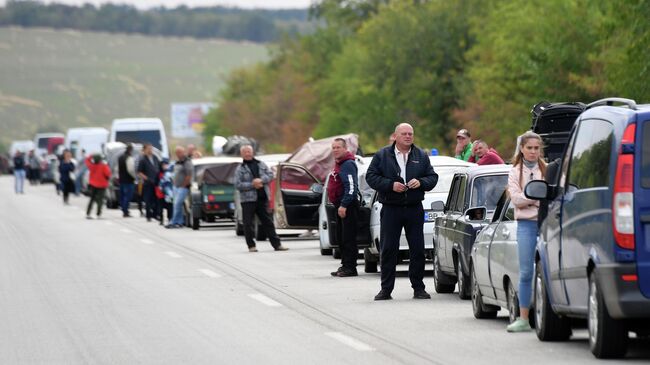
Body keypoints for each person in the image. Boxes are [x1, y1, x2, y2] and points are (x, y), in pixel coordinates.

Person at [366, 123, 438, 300]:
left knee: (418, 249)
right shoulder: (383, 155)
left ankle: (418, 288)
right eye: (404, 134)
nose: (408, 136)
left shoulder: (420, 155)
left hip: (414, 208)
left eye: (410, 134)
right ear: (395, 136)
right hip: (391, 208)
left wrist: (421, 182)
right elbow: (371, 176)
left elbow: (432, 177)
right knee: (389, 249)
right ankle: (386, 289)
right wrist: (390, 185)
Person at [506, 131, 547, 332]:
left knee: (548, 270)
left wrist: (529, 198)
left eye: (536, 148)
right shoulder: (514, 172)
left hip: (547, 224)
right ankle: (523, 318)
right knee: (526, 271)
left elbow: (558, 194)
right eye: (529, 148)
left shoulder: (549, 170)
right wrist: (538, 198)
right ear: (521, 149)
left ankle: (549, 315)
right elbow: (516, 199)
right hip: (526, 226)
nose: (533, 152)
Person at [234, 145, 288, 252]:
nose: (247, 153)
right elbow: (237, 184)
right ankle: (251, 246)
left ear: (252, 152)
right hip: (248, 200)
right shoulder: (240, 168)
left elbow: (271, 175)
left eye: (249, 151)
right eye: (245, 152)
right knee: (248, 224)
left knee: (268, 222)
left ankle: (277, 245)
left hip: (262, 198)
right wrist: (252, 184)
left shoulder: (261, 164)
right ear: (242, 154)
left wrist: (261, 180)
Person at [328, 138, 359, 277]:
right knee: (341, 237)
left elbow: (351, 187)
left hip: (347, 206)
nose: (335, 150)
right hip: (340, 205)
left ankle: (351, 267)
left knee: (348, 238)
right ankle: (345, 265)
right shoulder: (339, 163)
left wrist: (344, 205)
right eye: (333, 147)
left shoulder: (348, 164)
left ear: (345, 148)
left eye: (338, 147)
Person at [166, 146, 192, 229]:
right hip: (176, 187)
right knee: (177, 205)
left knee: (177, 204)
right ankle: (180, 222)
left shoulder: (187, 162)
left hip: (183, 187)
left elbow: (189, 175)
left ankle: (173, 222)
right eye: (177, 153)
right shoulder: (178, 162)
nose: (178, 154)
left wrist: (184, 185)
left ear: (183, 152)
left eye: (180, 152)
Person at [137, 143, 160, 222]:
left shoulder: (155, 158)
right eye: (148, 149)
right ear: (144, 150)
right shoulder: (143, 160)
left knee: (156, 199)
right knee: (148, 200)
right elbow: (139, 172)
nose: (150, 150)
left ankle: (156, 214)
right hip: (148, 183)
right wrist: (146, 178)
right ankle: (148, 215)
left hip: (156, 182)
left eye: (151, 148)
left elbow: (159, 168)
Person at [85, 153, 111, 219]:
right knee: (100, 200)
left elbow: (87, 160)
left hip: (93, 185)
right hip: (102, 185)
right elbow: (108, 174)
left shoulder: (91, 166)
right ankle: (98, 214)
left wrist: (91, 155)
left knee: (92, 199)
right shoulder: (104, 166)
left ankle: (88, 213)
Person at [118, 144, 136, 217]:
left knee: (122, 195)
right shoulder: (129, 158)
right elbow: (131, 170)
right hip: (128, 180)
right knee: (128, 196)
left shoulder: (120, 157)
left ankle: (123, 208)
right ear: (131, 150)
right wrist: (134, 177)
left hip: (121, 179)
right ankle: (125, 211)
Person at [157, 159, 174, 226]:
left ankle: (170, 218)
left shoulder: (170, 173)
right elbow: (157, 183)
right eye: (163, 165)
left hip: (169, 194)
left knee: (169, 207)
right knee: (161, 208)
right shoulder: (159, 173)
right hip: (161, 194)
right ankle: (161, 219)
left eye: (166, 165)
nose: (165, 166)